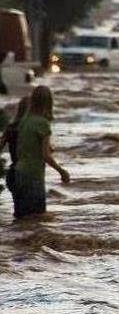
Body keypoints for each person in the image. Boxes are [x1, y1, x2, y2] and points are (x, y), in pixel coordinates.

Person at [13, 86, 70, 218]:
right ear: (49, 102)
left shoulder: (24, 121)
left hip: (19, 173)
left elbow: (23, 146)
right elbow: (46, 156)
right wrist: (62, 171)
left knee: (22, 218)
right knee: (38, 219)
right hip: (34, 175)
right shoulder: (43, 124)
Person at [0, 96, 30, 198]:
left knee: (19, 210)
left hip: (13, 173)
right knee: (32, 211)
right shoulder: (32, 129)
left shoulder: (11, 128)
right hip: (28, 174)